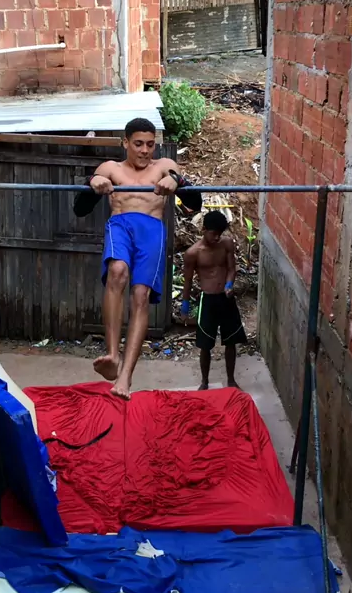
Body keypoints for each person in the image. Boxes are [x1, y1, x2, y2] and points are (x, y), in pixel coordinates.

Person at [73, 117, 202, 400]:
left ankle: (126, 377)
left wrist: (177, 181)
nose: (145, 150)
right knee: (117, 271)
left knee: (141, 296)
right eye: (139, 144)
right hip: (120, 225)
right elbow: (79, 209)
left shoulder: (165, 166)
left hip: (152, 230)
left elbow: (197, 202)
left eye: (150, 144)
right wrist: (92, 182)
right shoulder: (111, 168)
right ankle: (111, 354)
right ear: (125, 143)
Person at [181, 210, 247, 390]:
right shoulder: (193, 253)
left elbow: (231, 269)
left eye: (220, 233)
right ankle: (204, 382)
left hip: (226, 298)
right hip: (208, 300)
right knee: (205, 345)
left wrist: (229, 285)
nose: (217, 237)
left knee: (231, 341)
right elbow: (187, 281)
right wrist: (185, 305)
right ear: (204, 230)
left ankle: (231, 380)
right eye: (213, 233)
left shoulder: (226, 244)